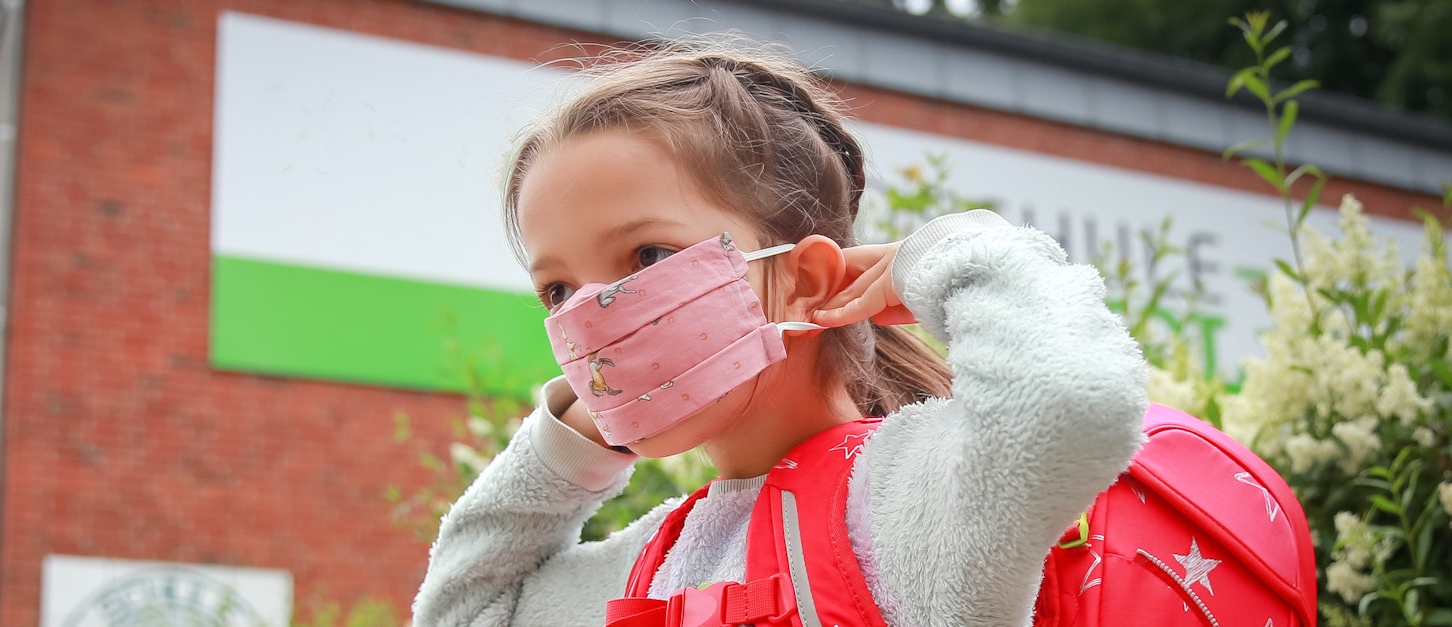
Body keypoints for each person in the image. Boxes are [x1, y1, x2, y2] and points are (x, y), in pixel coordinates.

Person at [412, 39, 1148, 627]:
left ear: (803, 278)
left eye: (647, 256)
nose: (593, 315)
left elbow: (1069, 406)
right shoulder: (642, 563)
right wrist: (563, 447)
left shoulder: (919, 502)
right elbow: (462, 612)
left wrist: (949, 254)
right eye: (559, 289)